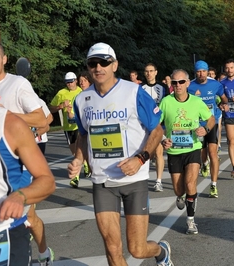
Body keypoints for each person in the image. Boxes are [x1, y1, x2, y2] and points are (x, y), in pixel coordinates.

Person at [67, 42, 172, 266]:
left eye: (104, 62)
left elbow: (157, 129)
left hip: (134, 180)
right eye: (92, 63)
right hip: (102, 182)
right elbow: (84, 136)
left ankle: (161, 252)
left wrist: (141, 158)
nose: (98, 67)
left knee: (137, 248)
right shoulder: (81, 100)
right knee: (113, 250)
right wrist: (78, 158)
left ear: (114, 65)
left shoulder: (134, 92)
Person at [0, 43, 55, 265]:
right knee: (29, 215)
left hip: (18, 160)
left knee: (26, 214)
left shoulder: (18, 84)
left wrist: (8, 116)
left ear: (5, 59)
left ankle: (42, 252)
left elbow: (43, 119)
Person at [160, 69, 215, 234]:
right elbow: (155, 124)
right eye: (174, 82)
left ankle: (190, 220)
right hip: (174, 152)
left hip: (193, 148)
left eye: (181, 82)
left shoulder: (197, 102)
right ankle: (181, 196)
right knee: (179, 189)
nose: (178, 86)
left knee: (191, 183)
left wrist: (205, 130)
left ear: (187, 83)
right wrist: (163, 139)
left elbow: (211, 118)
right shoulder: (166, 102)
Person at [188, 60, 227, 198]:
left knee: (213, 153)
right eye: (198, 71)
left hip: (211, 122)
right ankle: (204, 164)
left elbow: (223, 98)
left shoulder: (215, 84)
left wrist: (224, 104)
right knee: (202, 153)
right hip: (196, 125)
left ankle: (213, 185)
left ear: (207, 71)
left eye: (203, 71)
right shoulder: (190, 86)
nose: (201, 74)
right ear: (195, 72)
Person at [49, 72, 83, 188]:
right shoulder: (61, 93)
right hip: (68, 128)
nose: (69, 84)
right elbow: (50, 108)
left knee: (79, 151)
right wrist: (60, 106)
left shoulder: (81, 91)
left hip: (80, 126)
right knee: (74, 153)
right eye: (67, 82)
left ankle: (75, 178)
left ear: (76, 80)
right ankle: (86, 163)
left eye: (71, 81)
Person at [142, 63, 170, 192]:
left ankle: (158, 181)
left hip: (159, 125)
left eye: (151, 71)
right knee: (147, 152)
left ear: (156, 72)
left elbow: (167, 104)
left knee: (159, 152)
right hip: (145, 126)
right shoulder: (140, 88)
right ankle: (142, 179)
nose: (149, 73)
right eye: (147, 71)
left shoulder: (163, 87)